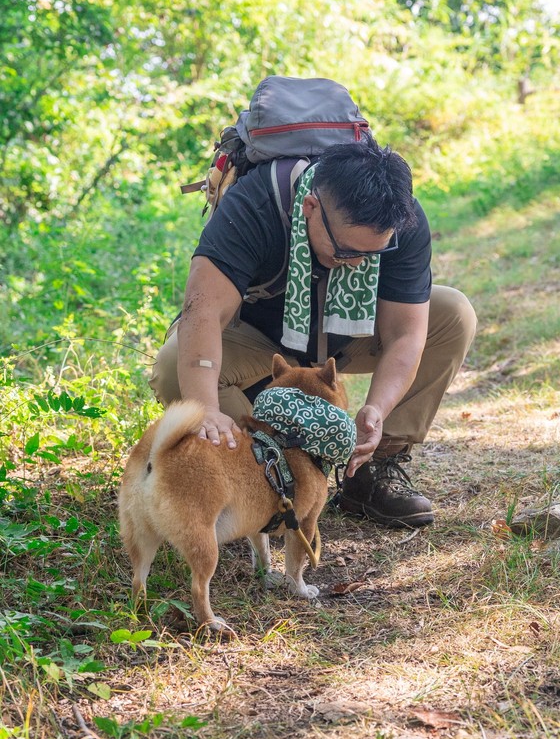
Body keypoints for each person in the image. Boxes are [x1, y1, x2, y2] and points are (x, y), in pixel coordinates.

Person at [150, 140, 476, 529]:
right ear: (311, 208)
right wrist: (207, 409)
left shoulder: (402, 218)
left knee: (453, 314)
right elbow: (201, 312)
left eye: (373, 255)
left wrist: (377, 410)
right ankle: (259, 474)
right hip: (260, 337)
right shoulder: (256, 206)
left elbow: (406, 335)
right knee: (174, 368)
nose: (356, 262)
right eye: (346, 250)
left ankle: (371, 471)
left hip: (344, 338)